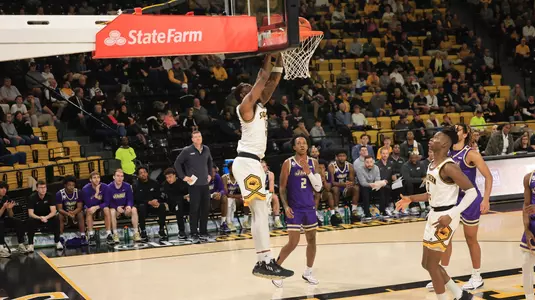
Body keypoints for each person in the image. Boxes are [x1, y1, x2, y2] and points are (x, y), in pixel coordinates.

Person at [231, 53, 293, 279]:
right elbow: (263, 76)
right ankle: (264, 260)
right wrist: (270, 53)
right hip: (247, 162)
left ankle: (264, 261)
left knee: (262, 211)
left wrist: (281, 58)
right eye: (248, 87)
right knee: (259, 211)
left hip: (254, 163)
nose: (254, 88)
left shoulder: (259, 104)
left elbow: (272, 80)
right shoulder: (245, 105)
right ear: (244, 94)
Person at [396, 127, 476, 300]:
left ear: (445, 143)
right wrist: (410, 198)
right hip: (434, 215)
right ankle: (460, 294)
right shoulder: (432, 164)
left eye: (436, 137)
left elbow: (472, 193)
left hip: (446, 217)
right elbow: (430, 194)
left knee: (432, 265)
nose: (431, 139)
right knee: (426, 263)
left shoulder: (449, 167)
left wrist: (452, 215)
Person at [426, 124, 493, 291]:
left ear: (464, 134)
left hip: (470, 200)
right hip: (452, 201)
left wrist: (486, 199)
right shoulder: (446, 153)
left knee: (471, 239)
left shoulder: (471, 154)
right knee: (445, 240)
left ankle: (477, 276)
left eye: (458, 129)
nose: (454, 131)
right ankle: (442, 275)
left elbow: (488, 177)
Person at [273, 135, 323, 288]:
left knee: (312, 241)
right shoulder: (288, 163)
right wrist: (286, 206)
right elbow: (281, 188)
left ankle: (308, 272)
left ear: (307, 146)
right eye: (298, 143)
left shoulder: (314, 162)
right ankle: (276, 269)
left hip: (309, 208)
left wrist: (315, 203)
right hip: (295, 208)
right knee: (293, 242)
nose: (302, 145)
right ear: (294, 147)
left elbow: (318, 187)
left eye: (304, 143)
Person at [174, 131, 214, 244]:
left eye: (199, 136)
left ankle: (203, 231)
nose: (198, 139)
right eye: (195, 137)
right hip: (194, 185)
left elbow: (210, 162)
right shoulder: (187, 150)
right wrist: (183, 177)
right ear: (192, 139)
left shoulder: (206, 149)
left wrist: (210, 174)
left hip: (205, 184)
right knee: (194, 209)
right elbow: (177, 163)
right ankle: (193, 233)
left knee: (205, 209)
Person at [106, 169, 140, 243]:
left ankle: (136, 233)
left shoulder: (127, 186)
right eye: (118, 176)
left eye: (121, 176)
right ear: (114, 177)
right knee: (112, 211)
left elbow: (130, 199)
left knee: (134, 209)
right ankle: (115, 234)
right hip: (115, 210)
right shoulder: (108, 187)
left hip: (125, 209)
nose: (120, 178)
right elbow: (108, 201)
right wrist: (116, 207)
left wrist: (129, 206)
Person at [27, 180, 63, 251]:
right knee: (30, 221)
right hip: (37, 218)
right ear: (37, 189)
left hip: (48, 217)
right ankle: (30, 244)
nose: (43, 189)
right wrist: (40, 218)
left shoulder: (50, 196)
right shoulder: (32, 197)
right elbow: (30, 213)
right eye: (41, 188)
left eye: (44, 187)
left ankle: (57, 242)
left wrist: (46, 217)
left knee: (56, 219)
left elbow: (53, 211)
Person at [134, 167, 168, 241]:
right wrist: (148, 202)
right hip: (144, 207)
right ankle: (143, 231)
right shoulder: (136, 185)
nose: (143, 174)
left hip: (154, 206)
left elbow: (160, 195)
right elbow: (136, 199)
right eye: (141, 173)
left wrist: (157, 201)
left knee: (162, 206)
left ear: (147, 173)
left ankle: (161, 229)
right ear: (138, 175)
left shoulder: (154, 183)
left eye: (144, 172)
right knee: (141, 207)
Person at [82, 171, 112, 246]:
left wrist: (97, 207)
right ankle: (91, 235)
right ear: (90, 180)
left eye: (98, 177)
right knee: (89, 210)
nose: (97, 179)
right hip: (90, 207)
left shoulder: (105, 187)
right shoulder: (85, 189)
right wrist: (96, 193)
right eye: (94, 178)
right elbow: (88, 204)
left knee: (106, 209)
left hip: (100, 207)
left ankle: (109, 234)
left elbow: (107, 202)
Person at [329, 150, 360, 219]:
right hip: (335, 187)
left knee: (356, 188)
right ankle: (336, 211)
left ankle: (354, 211)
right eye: (340, 156)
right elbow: (332, 182)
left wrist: (350, 183)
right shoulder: (331, 166)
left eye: (343, 156)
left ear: (346, 157)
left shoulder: (349, 166)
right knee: (335, 189)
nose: (342, 158)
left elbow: (352, 180)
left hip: (345, 187)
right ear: (336, 157)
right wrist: (343, 184)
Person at [0, 181, 28, 256]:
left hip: (4, 219)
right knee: (1, 223)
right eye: (1, 188)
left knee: (18, 221)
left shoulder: (6, 198)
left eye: (5, 188)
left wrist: (9, 209)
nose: (4, 190)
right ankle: (1, 248)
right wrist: (3, 207)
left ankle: (21, 244)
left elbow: (11, 215)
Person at [162, 168, 189, 240]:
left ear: (175, 175)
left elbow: (188, 191)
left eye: (170, 177)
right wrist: (183, 197)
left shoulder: (182, 182)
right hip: (173, 205)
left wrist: (188, 196)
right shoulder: (165, 185)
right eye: (167, 177)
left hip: (186, 203)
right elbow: (171, 198)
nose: (168, 179)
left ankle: (196, 229)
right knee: (178, 205)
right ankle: (181, 231)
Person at [56, 176, 86, 241]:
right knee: (59, 215)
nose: (71, 187)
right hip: (64, 214)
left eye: (73, 185)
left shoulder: (78, 192)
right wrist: (68, 214)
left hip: (75, 213)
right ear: (65, 185)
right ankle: (60, 236)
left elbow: (79, 207)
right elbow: (59, 209)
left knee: (80, 214)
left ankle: (83, 235)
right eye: (69, 185)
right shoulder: (59, 194)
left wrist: (73, 213)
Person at [521, 170, 535, 300]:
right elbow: (526, 206)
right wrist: (526, 229)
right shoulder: (529, 178)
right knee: (526, 264)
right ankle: (529, 297)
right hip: (533, 227)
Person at [222, 162, 243, 230]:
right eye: (232, 168)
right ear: (229, 169)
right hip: (225, 199)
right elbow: (226, 193)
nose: (234, 170)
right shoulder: (225, 177)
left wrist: (235, 196)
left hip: (235, 198)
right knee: (228, 200)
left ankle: (246, 220)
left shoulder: (239, 177)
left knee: (246, 200)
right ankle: (229, 222)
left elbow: (243, 193)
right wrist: (236, 196)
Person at [209, 166, 230, 233]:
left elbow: (222, 189)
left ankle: (223, 223)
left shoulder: (217, 177)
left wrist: (219, 194)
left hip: (215, 200)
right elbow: (200, 194)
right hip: (205, 201)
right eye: (211, 172)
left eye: (215, 172)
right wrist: (212, 195)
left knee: (224, 198)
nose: (213, 174)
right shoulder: (203, 178)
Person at [262, 160, 283, 229]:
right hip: (257, 193)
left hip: (266, 192)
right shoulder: (255, 175)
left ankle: (277, 219)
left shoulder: (270, 174)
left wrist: (268, 195)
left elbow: (271, 189)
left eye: (264, 167)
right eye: (261, 167)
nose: (262, 168)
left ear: (267, 167)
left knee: (275, 197)